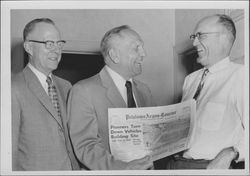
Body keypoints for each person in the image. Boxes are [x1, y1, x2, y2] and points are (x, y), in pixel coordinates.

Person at [67, 25, 155, 170]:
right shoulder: (83, 90)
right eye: (136, 48)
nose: (143, 53)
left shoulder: (144, 90)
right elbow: (86, 147)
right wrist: (123, 168)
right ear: (114, 55)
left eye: (142, 47)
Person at [166, 14, 245, 169]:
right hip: (174, 164)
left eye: (200, 36)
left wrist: (232, 152)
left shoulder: (241, 76)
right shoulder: (190, 80)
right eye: (194, 36)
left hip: (208, 167)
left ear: (223, 38)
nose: (194, 43)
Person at [11, 18, 80, 170]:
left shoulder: (66, 86)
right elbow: (8, 155)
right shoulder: (12, 88)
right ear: (29, 47)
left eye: (59, 44)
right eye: (49, 44)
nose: (56, 50)